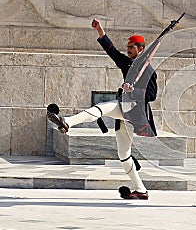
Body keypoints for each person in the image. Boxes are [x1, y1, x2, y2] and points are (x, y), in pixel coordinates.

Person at [47, 18, 157, 200]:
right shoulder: (128, 64)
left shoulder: (149, 70)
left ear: (141, 49)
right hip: (126, 113)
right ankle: (141, 190)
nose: (128, 50)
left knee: (101, 108)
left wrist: (134, 90)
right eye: (128, 47)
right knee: (124, 155)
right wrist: (100, 30)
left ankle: (68, 123)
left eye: (132, 47)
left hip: (134, 111)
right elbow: (111, 51)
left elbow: (151, 96)